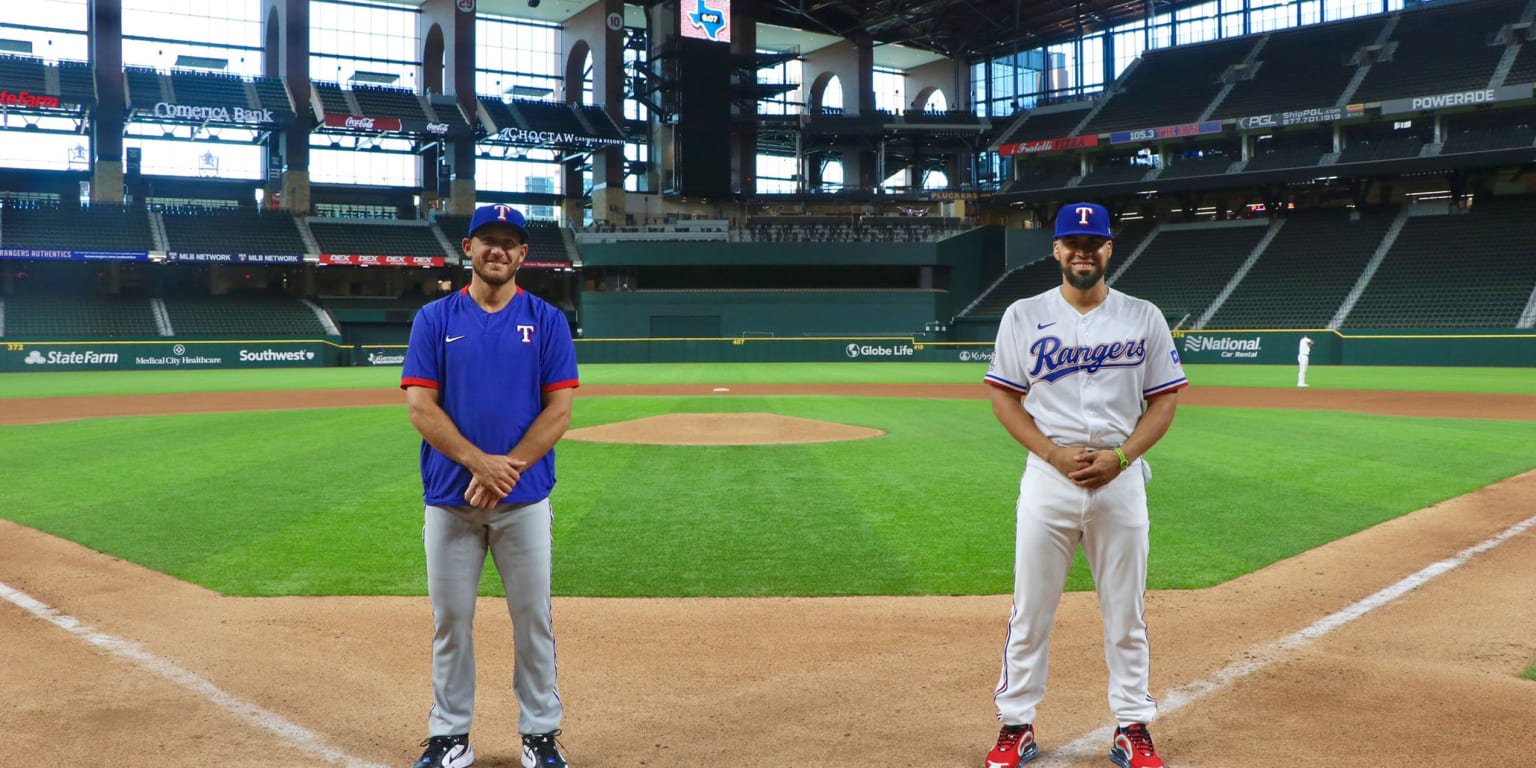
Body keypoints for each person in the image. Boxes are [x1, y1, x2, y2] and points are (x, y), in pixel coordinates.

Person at [981, 202, 1187, 768]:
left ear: (1108, 250)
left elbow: (1164, 400)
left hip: (1120, 482)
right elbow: (1003, 394)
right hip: (1048, 481)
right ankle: (1015, 724)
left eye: (1093, 242)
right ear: (1056, 250)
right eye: (1072, 242)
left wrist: (1122, 457)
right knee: (1031, 610)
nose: (1082, 251)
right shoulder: (1022, 315)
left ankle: (1131, 726)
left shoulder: (1143, 316)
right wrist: (1050, 452)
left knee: (1126, 612)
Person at [401, 203, 579, 768]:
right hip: (450, 501)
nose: (497, 250)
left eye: (509, 242)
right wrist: (481, 463)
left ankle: (540, 734)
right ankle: (450, 735)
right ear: (468, 248)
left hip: (523, 501)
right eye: (487, 240)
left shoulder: (548, 320)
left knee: (532, 619)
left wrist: (510, 469)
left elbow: (559, 412)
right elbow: (420, 406)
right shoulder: (434, 319)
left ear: (523, 254)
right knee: (450, 619)